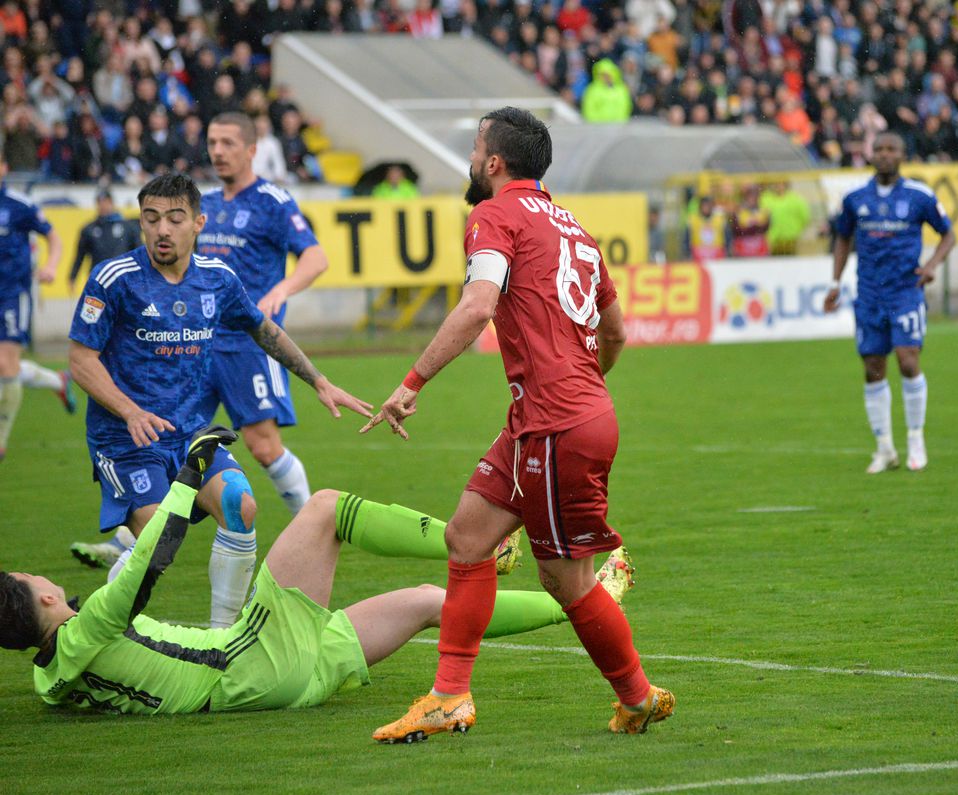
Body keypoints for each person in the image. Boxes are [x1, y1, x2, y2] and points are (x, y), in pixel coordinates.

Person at [362, 107, 674, 743]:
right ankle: (449, 696)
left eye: (477, 150)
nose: (472, 162)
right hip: (546, 417)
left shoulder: (493, 214)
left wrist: (410, 383)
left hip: (556, 422)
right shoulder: (576, 230)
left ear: (494, 162)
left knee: (566, 580)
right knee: (468, 537)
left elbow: (478, 305)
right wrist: (586, 384)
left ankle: (638, 697)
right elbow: (614, 332)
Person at [1, 426, 636, 716]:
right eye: (32, 581)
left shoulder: (50, 679)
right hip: (249, 660)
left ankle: (586, 597)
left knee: (428, 602)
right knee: (327, 508)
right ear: (45, 600)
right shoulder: (83, 634)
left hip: (275, 683)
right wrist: (187, 479)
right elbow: (143, 569)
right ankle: (470, 543)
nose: (41, 578)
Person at [65, 173, 370, 630]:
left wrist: (319, 381)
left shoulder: (217, 278)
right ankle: (89, 630)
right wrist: (129, 411)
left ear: (198, 222)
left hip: (189, 434)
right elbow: (80, 358)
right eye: (151, 219)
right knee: (157, 539)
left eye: (174, 218)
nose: (162, 229)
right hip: (125, 439)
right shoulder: (115, 278)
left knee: (240, 506)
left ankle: (221, 637)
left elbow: (263, 329)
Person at [196, 111, 330, 517]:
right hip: (195, 345)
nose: (218, 151)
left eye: (228, 143)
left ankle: (312, 525)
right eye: (212, 142)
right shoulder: (205, 204)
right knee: (164, 438)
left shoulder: (273, 202)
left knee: (263, 446)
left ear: (251, 150)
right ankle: (130, 539)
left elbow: (316, 256)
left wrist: (281, 289)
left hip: (248, 345)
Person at [822, 132, 957, 474]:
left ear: (902, 155)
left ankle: (915, 439)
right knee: (872, 368)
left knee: (908, 361)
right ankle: (884, 448)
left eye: (891, 149)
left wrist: (931, 266)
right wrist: (835, 282)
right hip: (868, 293)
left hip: (905, 290)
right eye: (878, 149)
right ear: (870, 155)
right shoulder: (855, 199)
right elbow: (842, 237)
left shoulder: (919, 196)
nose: (884, 154)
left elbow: (949, 234)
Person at [0, 157, 63, 463]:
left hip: (12, 295)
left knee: (5, 362)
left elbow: (53, 236)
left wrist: (51, 265)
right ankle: (57, 381)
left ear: (4, 168)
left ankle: (1, 440)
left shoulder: (19, 205)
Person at [68, 189, 142, 290]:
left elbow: (139, 253)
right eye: (100, 202)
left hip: (123, 279)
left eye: (106, 202)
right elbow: (80, 255)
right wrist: (73, 276)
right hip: (99, 279)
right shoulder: (89, 229)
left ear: (112, 203)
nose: (103, 205)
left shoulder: (128, 227)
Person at [729, 184, 771, 258]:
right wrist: (753, 227)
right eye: (750, 196)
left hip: (759, 247)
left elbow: (766, 227)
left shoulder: (763, 211)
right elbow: (735, 229)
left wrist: (752, 227)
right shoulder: (739, 211)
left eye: (754, 197)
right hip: (743, 246)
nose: (752, 199)